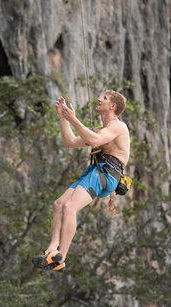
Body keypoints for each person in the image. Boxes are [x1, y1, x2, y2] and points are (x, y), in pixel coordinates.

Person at [32, 90, 130, 272]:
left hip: (106, 174)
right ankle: (52, 249)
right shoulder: (102, 129)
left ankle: (61, 257)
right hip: (97, 171)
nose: (99, 99)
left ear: (113, 106)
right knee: (59, 204)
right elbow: (70, 142)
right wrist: (63, 118)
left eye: (105, 98)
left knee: (69, 207)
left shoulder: (118, 126)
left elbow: (95, 140)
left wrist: (73, 120)